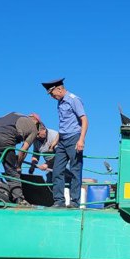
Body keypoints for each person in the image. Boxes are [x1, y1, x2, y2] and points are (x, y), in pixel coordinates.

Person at [41, 78, 88, 207]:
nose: (52, 97)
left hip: (74, 138)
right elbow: (63, 126)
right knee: (56, 170)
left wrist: (81, 139)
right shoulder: (60, 103)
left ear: (59, 89)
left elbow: (84, 120)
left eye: (52, 94)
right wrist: (54, 142)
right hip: (62, 141)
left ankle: (74, 202)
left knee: (75, 171)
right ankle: (59, 201)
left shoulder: (73, 99)